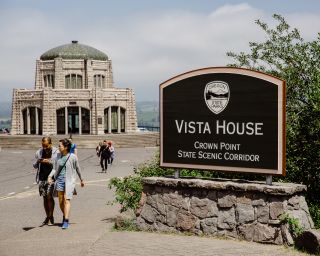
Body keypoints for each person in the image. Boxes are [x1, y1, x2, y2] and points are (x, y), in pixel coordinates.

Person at [48, 138, 84, 229]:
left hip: (69, 181)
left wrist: (81, 179)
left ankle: (66, 220)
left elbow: (78, 168)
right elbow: (54, 169)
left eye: (60, 146)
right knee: (60, 202)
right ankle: (65, 215)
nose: (58, 147)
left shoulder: (73, 157)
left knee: (66, 199)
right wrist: (49, 176)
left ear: (66, 147)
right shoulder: (58, 156)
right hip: (59, 180)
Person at [33, 136, 59, 226]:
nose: (44, 147)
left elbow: (57, 164)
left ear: (50, 144)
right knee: (44, 197)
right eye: (43, 145)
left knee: (49, 196)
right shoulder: (39, 152)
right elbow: (35, 166)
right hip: (42, 177)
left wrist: (48, 161)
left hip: (51, 177)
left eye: (46, 145)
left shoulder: (56, 151)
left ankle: (51, 216)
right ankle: (47, 216)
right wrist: (38, 161)